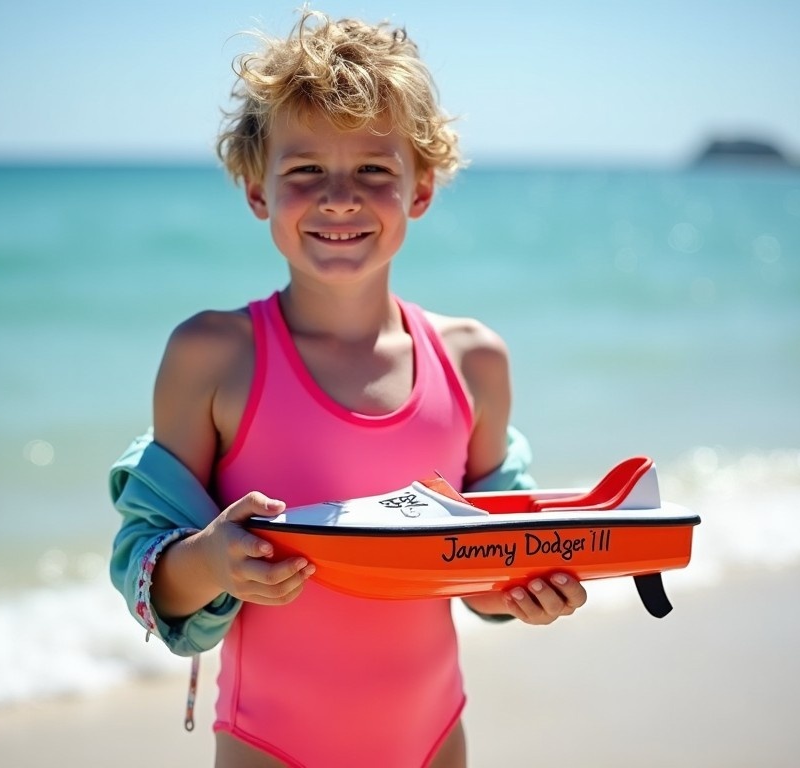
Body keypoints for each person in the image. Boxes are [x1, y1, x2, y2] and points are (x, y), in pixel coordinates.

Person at [109, 9, 587, 767]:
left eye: (374, 170)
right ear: (256, 190)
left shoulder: (473, 364)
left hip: (435, 741)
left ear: (420, 188)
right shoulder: (213, 356)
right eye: (304, 172)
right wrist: (212, 561)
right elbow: (148, 574)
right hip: (271, 748)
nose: (339, 197)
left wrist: (528, 590)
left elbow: (485, 575)